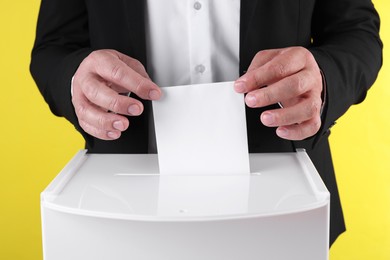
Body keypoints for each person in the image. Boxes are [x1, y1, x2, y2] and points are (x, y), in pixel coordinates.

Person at [30, 0, 382, 246]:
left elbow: (356, 31)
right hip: (120, 210)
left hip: (287, 204)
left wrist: (321, 77)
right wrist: (75, 78)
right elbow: (53, 48)